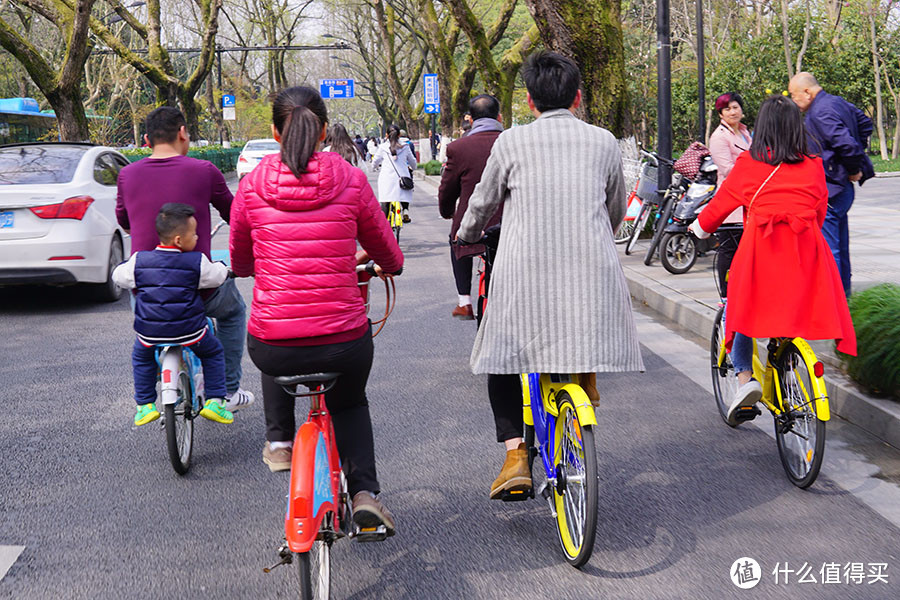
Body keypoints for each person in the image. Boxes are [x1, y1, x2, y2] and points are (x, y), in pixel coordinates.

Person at [457, 52, 644, 499]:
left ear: (528, 100)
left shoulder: (511, 142)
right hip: (592, 273)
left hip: (524, 274)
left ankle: (516, 454)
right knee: (578, 330)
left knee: (501, 354)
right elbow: (615, 207)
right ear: (577, 97)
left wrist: (465, 234)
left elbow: (482, 203)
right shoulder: (603, 141)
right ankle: (580, 401)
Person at [229, 86, 404, 534]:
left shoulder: (251, 186)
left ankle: (280, 441)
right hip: (343, 342)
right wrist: (380, 263)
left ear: (274, 131)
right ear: (324, 130)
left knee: (273, 339)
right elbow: (391, 256)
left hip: (274, 346)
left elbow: (242, 263)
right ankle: (365, 494)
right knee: (349, 402)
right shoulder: (350, 178)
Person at [689, 95, 857, 424]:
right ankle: (791, 364)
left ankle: (744, 379)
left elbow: (720, 206)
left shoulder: (749, 165)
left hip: (761, 252)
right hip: (806, 253)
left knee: (742, 308)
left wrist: (699, 228)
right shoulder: (812, 164)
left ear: (761, 127)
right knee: (793, 306)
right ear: (797, 127)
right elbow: (821, 209)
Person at [116, 107, 254, 412]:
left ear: (147, 139)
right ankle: (228, 390)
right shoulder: (204, 170)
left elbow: (124, 222)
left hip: (147, 290)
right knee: (233, 312)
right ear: (182, 133)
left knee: (147, 323)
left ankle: (149, 396)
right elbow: (236, 217)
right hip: (198, 288)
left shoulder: (127, 175)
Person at [113, 203, 234, 426]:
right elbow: (216, 276)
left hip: (150, 333)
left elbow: (119, 276)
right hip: (190, 332)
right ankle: (216, 401)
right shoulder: (195, 262)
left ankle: (144, 405)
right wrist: (224, 269)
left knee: (142, 357)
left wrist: (124, 266)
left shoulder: (140, 260)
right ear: (179, 240)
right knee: (213, 351)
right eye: (194, 234)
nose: (197, 238)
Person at [788, 72, 874, 297]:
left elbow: (845, 143)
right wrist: (855, 155)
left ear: (807, 92)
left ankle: (834, 303)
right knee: (840, 246)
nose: (795, 102)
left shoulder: (820, 112)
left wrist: (853, 167)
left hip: (832, 187)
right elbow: (865, 124)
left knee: (830, 248)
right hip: (840, 186)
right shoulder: (836, 102)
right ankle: (844, 298)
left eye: (795, 96)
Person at [438, 94, 504, 320]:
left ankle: (464, 301)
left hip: (472, 223)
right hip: (510, 222)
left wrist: (447, 212)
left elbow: (447, 189)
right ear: (500, 117)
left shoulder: (458, 147)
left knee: (457, 236)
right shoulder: (512, 143)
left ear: (471, 119)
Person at [708, 91, 752, 297]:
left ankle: (743, 290)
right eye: (727, 109)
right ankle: (726, 295)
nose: (733, 112)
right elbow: (727, 169)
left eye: (735, 107)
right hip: (731, 201)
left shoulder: (745, 133)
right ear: (720, 114)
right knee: (728, 249)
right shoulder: (719, 137)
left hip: (748, 199)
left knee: (745, 249)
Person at [373, 124, 417, 223]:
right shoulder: (405, 146)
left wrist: (374, 167)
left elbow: (375, 161)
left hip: (387, 179)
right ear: (399, 135)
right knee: (404, 192)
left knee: (386, 200)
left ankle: (384, 223)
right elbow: (412, 161)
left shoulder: (383, 147)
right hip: (403, 178)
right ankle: (405, 210)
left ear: (386, 135)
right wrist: (414, 167)